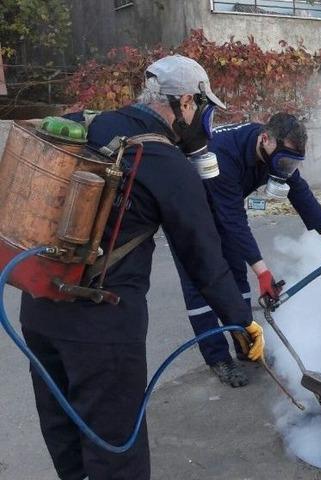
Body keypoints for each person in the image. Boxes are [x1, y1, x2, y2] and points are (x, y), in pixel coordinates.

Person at [20, 54, 265, 479]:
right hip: (103, 327)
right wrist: (242, 322)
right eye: (201, 109)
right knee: (116, 451)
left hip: (39, 306)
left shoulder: (89, 123)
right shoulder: (167, 164)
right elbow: (206, 260)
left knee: (64, 431)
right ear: (184, 102)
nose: (201, 121)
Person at [171, 112, 321, 387]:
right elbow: (233, 219)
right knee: (201, 288)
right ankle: (218, 358)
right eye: (284, 161)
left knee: (236, 279)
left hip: (222, 208)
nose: (286, 167)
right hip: (187, 214)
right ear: (265, 139)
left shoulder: (275, 150)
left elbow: (299, 190)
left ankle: (245, 345)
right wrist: (263, 271)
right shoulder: (223, 154)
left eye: (293, 162)